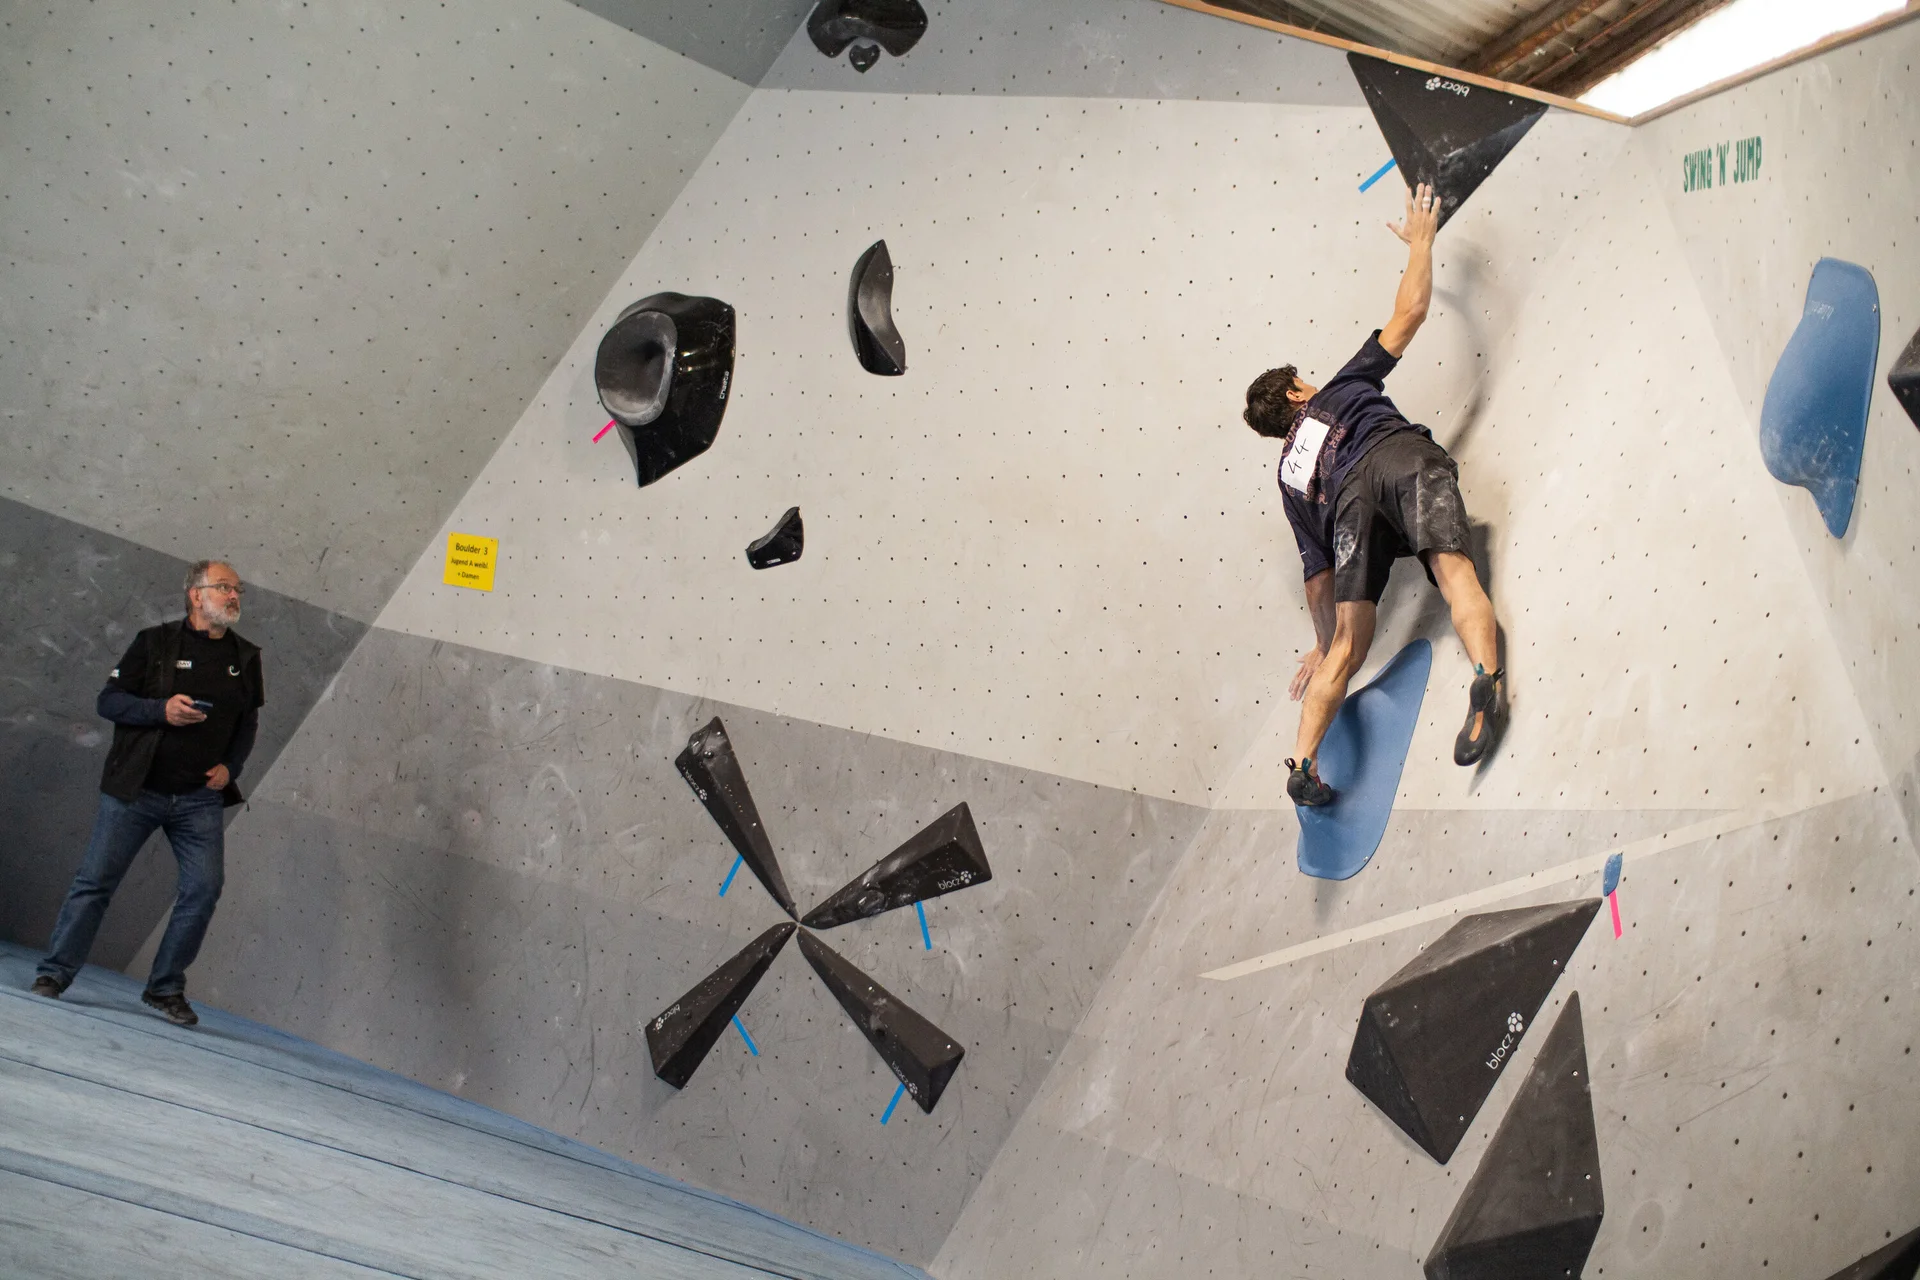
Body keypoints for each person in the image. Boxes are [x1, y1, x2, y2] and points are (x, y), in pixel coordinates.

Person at [1243, 182, 1503, 808]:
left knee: (1345, 649)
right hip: (1398, 459)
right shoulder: (1340, 388)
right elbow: (1409, 314)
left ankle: (1304, 764)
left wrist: (1321, 640)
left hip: (1347, 511)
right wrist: (1421, 244)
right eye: (1303, 380)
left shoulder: (1289, 478)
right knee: (1454, 574)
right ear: (1298, 393)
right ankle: (1486, 678)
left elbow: (1317, 578)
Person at [30, 560, 265, 1025]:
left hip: (199, 798)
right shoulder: (154, 643)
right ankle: (55, 973)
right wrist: (162, 711)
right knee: (95, 883)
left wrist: (231, 767)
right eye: (224, 587)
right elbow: (109, 701)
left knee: (203, 888)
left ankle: (164, 988)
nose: (234, 596)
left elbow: (248, 722)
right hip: (137, 790)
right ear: (196, 594)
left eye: (237, 589)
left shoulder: (246, 657)